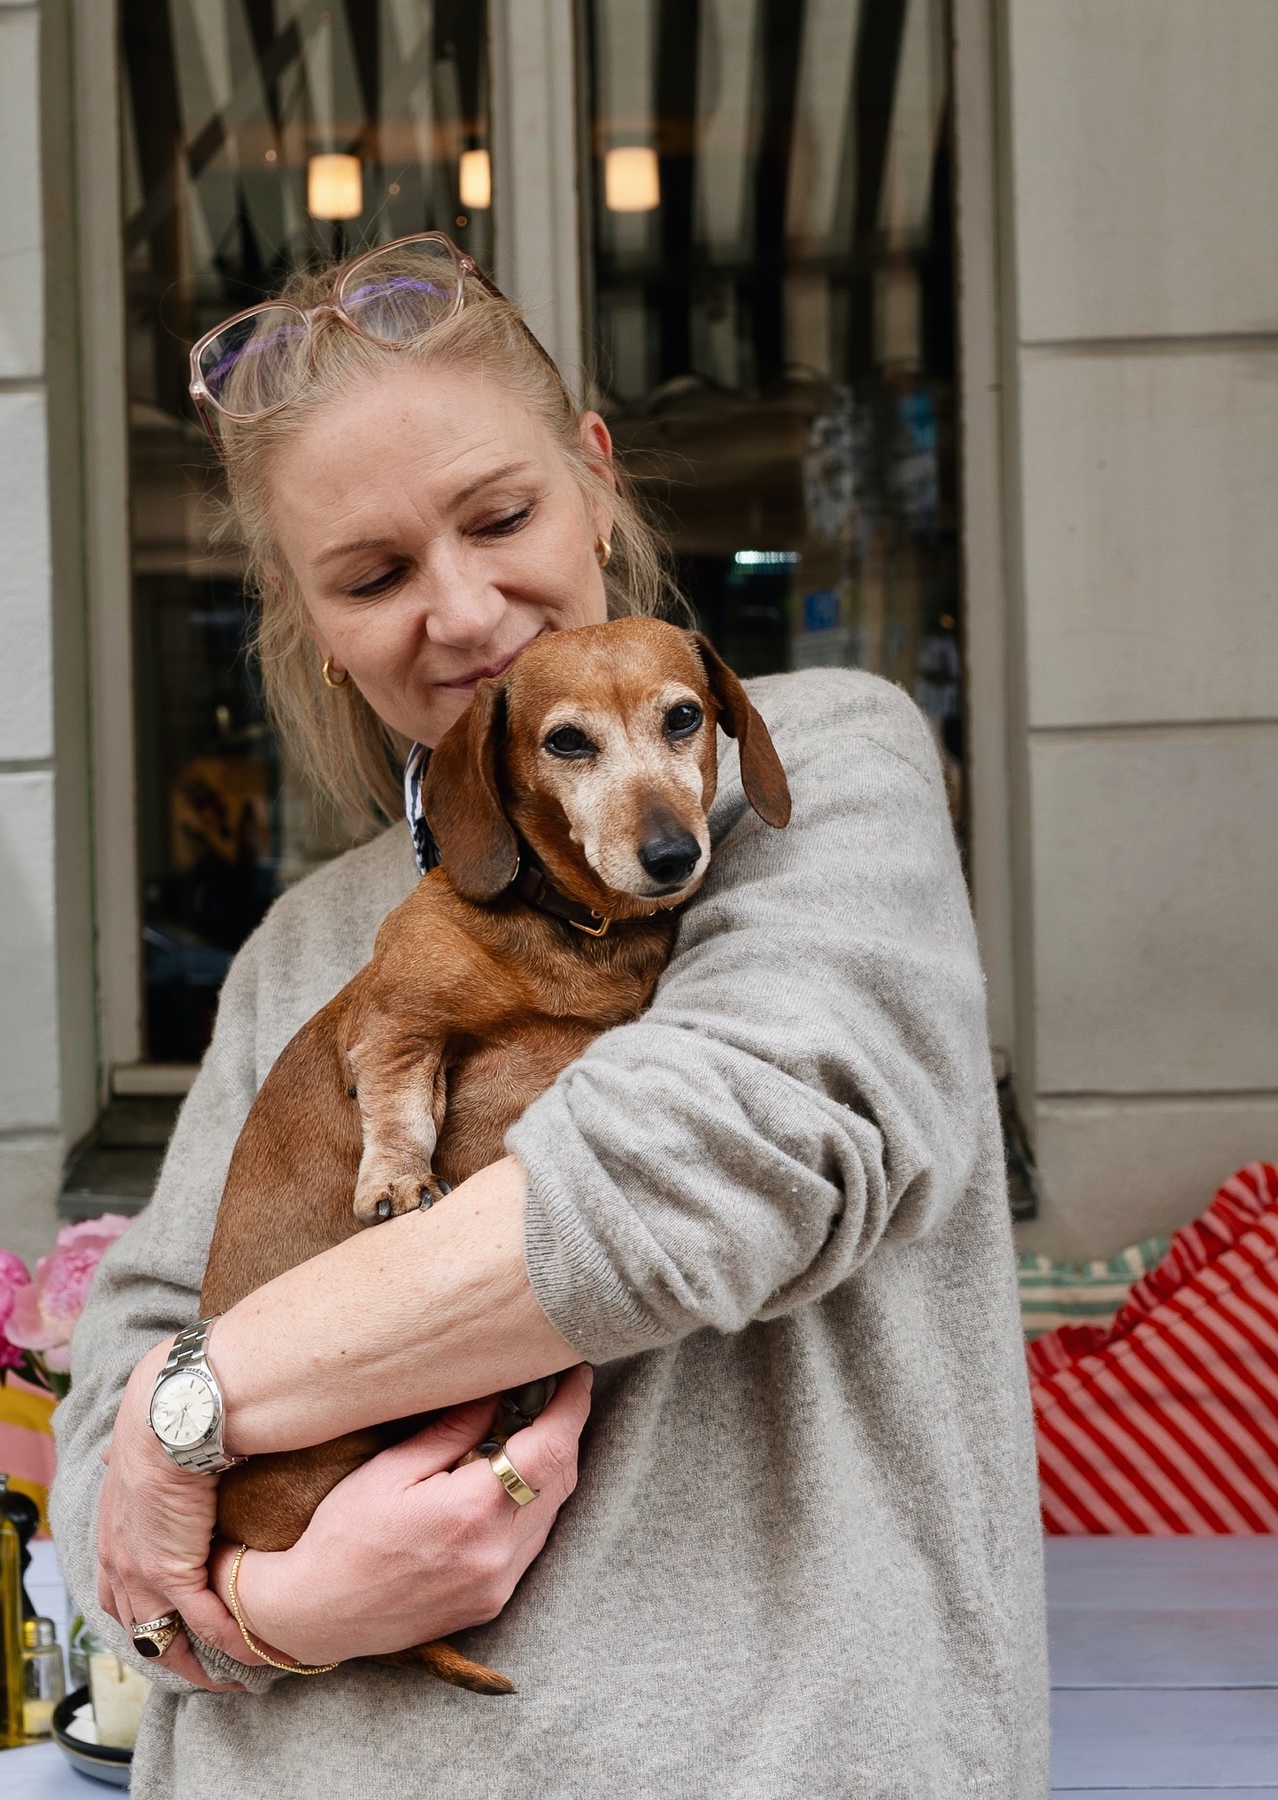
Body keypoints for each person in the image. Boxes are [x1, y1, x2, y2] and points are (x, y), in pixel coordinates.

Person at [51, 234, 1048, 1797]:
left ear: (596, 480)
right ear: (311, 619)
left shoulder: (817, 778)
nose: (464, 612)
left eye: (501, 517)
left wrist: (193, 1410)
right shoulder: (300, 950)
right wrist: (282, 1607)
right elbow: (104, 1450)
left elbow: (702, 1177)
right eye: (373, 576)